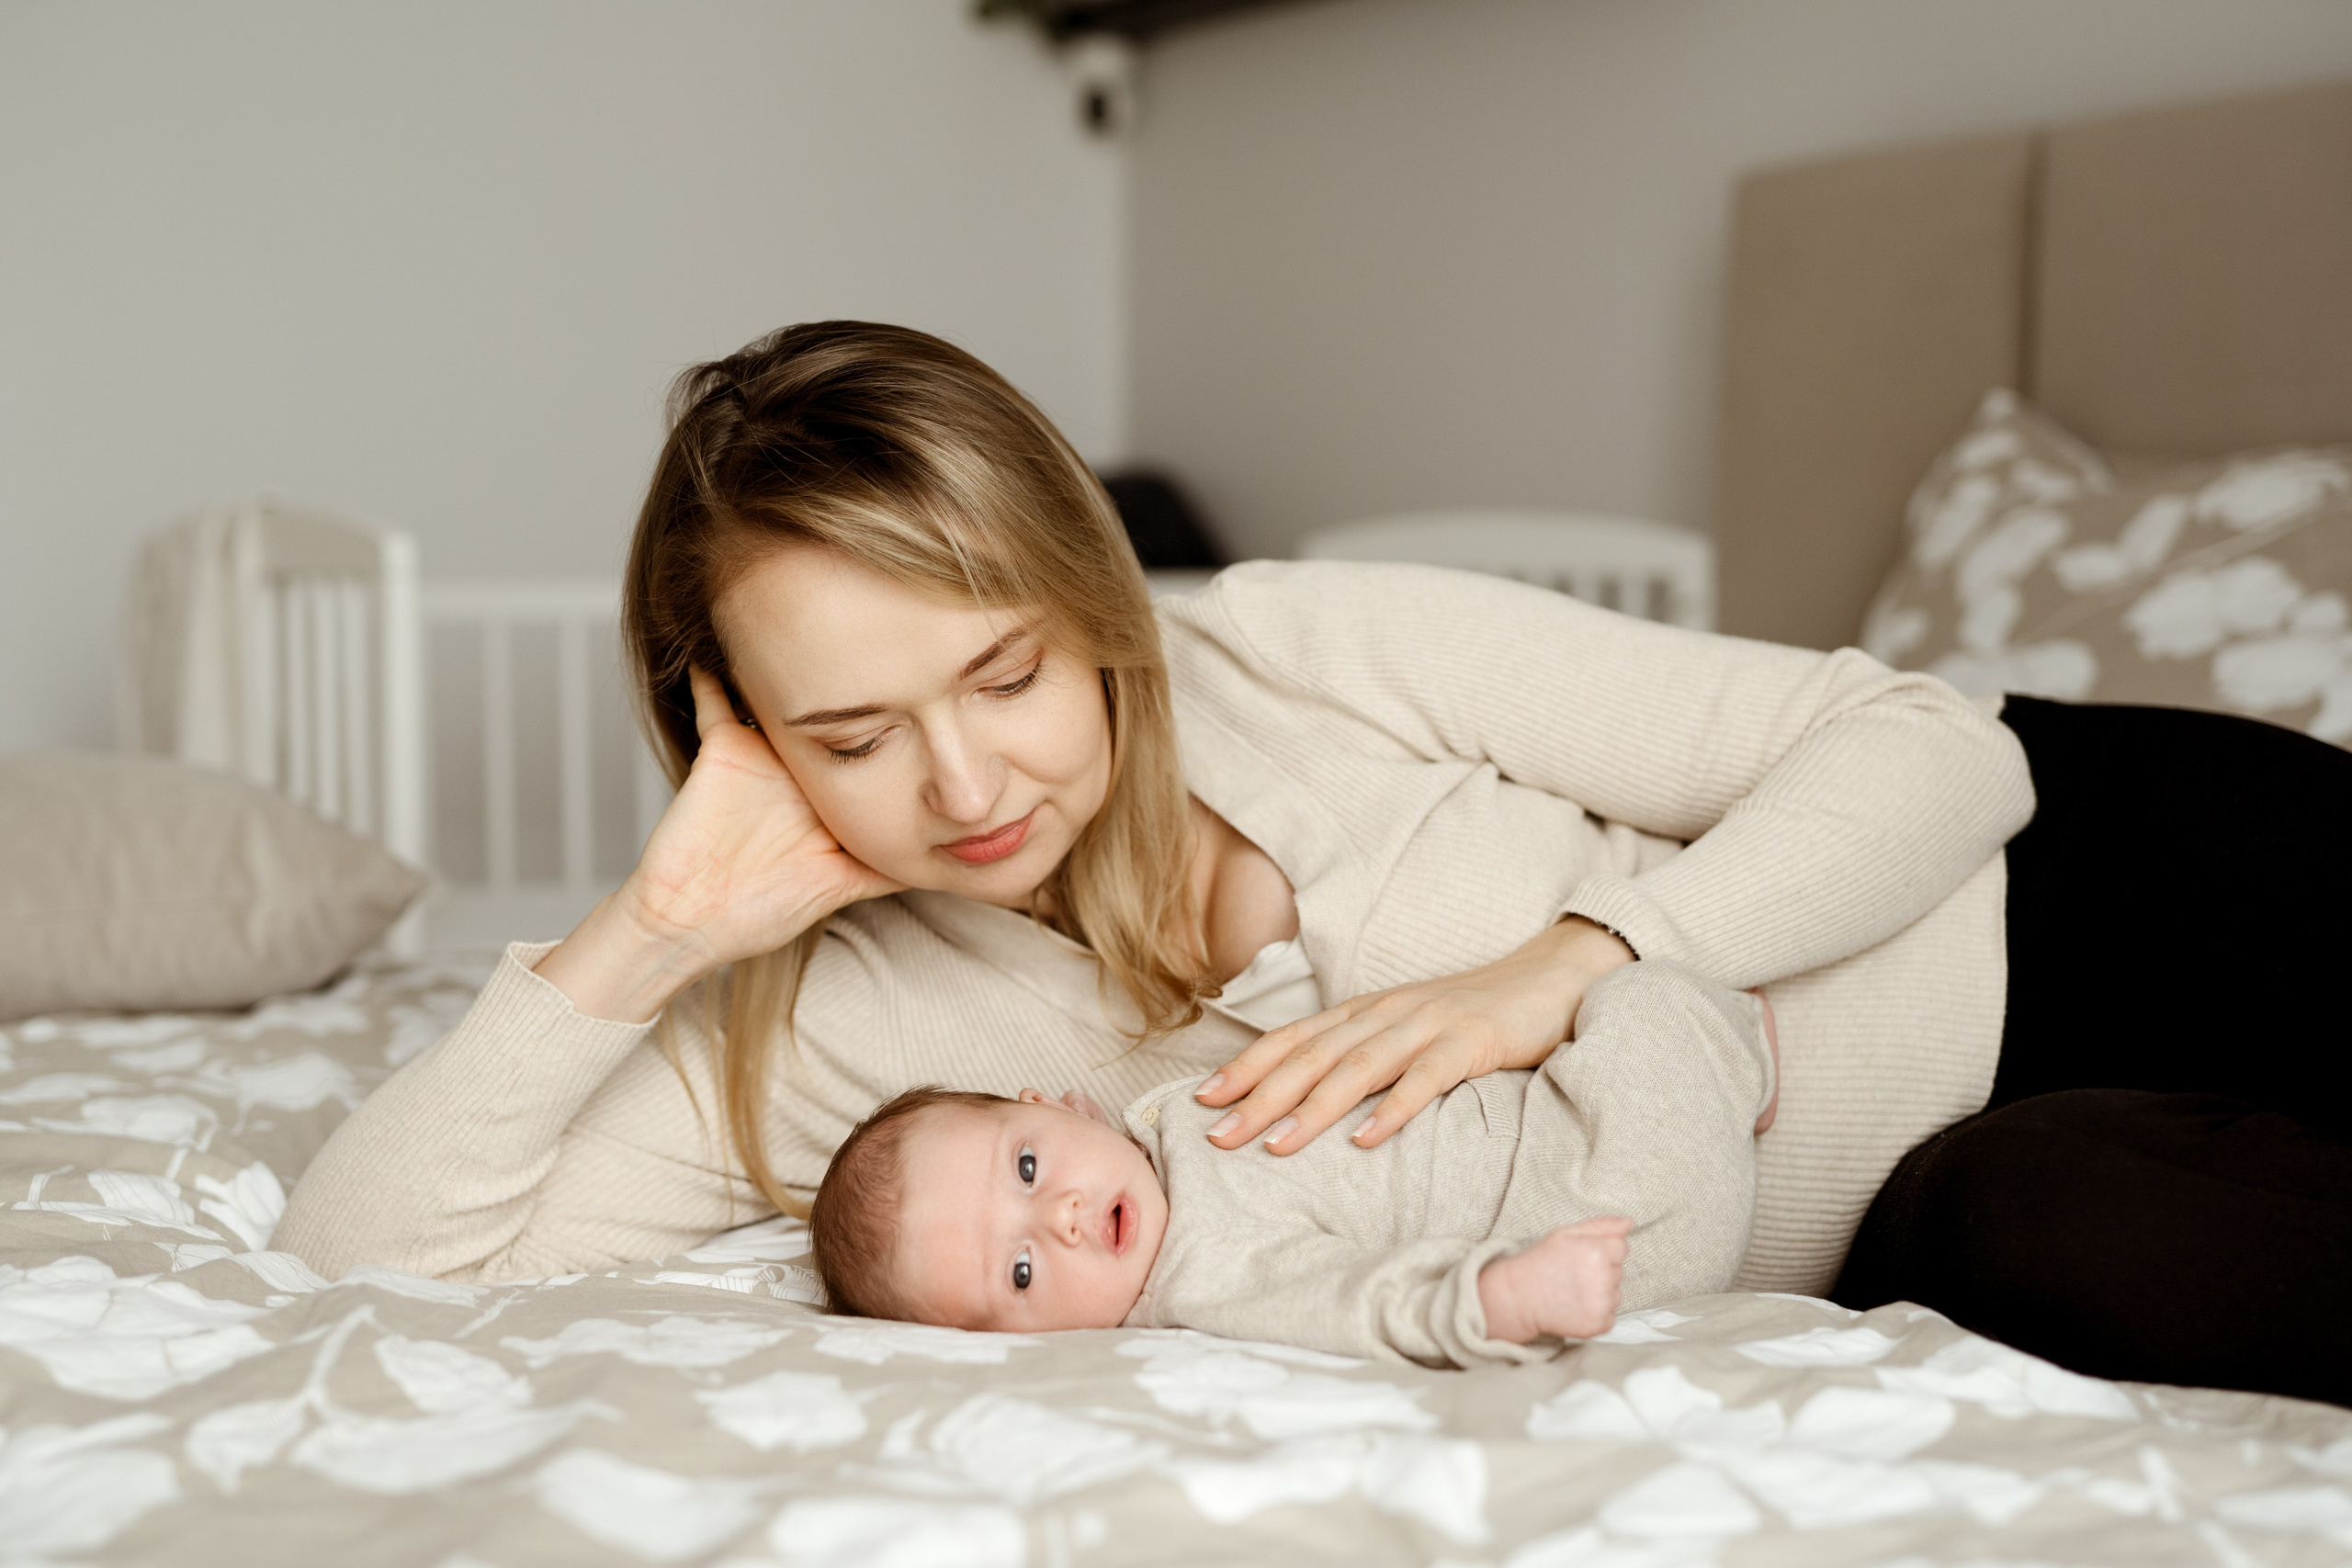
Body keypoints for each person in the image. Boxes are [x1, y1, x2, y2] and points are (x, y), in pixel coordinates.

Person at [275, 321, 2349, 1406]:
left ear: (1085, 593)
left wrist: (1579, 951)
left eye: (1002, 667)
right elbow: (369, 1247)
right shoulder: (832, 1026)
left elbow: (1924, 750)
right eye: (846, 732)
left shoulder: (1281, 645)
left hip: (2075, 870)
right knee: (2035, 1237)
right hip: (1962, 1168)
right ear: (725, 721)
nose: (966, 777)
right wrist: (652, 929)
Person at [808, 961, 1774, 1366]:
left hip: (1560, 1137)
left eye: (1025, 1168)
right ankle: (1744, 1055)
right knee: (1648, 1000)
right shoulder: (1206, 1270)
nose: (1056, 1216)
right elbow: (1351, 1297)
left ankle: (1729, 1063)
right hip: (1613, 1215)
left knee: (1622, 1003)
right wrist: (1497, 1300)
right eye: (1019, 1272)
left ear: (1052, 1105)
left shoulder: (1164, 1133)